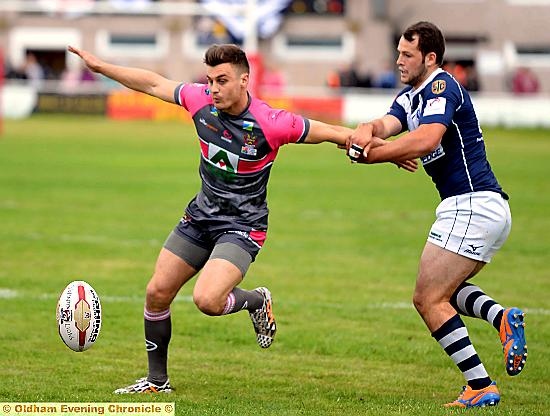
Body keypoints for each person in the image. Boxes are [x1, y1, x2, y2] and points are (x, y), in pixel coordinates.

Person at [67, 44, 414, 394]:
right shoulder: (199, 100)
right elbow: (153, 83)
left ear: (244, 80)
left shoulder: (272, 123)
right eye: (209, 80)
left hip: (242, 226)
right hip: (200, 217)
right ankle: (158, 382)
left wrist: (391, 153)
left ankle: (256, 301)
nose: (213, 88)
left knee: (208, 300)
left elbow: (337, 134)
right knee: (157, 293)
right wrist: (100, 67)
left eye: (222, 80)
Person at [346, 21, 527, 409]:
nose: (398, 61)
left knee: (427, 299)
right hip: (478, 207)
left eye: (407, 54)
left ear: (430, 58)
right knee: (444, 291)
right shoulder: (412, 97)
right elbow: (387, 124)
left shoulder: (441, 87)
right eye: (397, 53)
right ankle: (500, 318)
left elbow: (426, 138)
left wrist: (373, 153)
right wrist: (366, 130)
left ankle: (480, 385)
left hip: (470, 203)